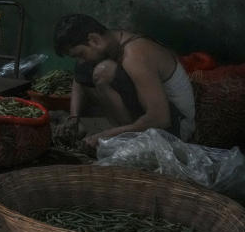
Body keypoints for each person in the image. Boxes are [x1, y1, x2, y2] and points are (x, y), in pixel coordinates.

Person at [53, 13, 196, 149]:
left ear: (94, 39)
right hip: (155, 118)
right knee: (86, 67)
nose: (80, 60)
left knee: (104, 71)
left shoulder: (135, 55)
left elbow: (161, 119)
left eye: (80, 54)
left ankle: (124, 134)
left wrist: (106, 136)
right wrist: (73, 117)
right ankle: (124, 132)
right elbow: (78, 79)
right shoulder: (112, 41)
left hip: (175, 128)